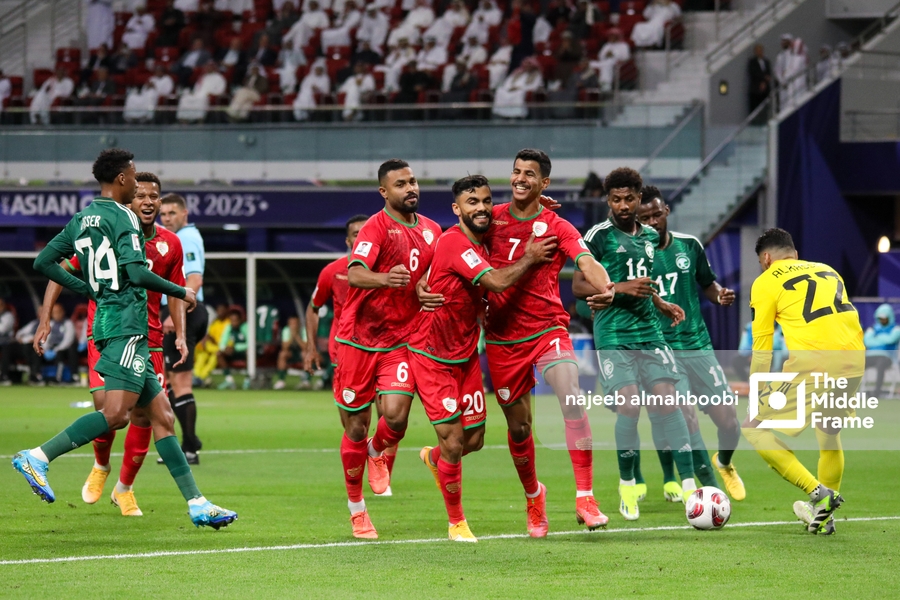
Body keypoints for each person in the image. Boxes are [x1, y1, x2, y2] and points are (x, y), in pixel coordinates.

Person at [13, 148, 236, 529]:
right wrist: (181, 292)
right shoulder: (124, 219)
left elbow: (43, 262)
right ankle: (38, 456)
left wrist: (87, 288)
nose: (137, 185)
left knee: (163, 416)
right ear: (121, 179)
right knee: (116, 415)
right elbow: (136, 273)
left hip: (113, 322)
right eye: (134, 177)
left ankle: (197, 503)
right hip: (127, 325)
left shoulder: (83, 218)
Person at [420, 149, 615, 535]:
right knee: (520, 429)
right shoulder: (491, 219)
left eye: (530, 174)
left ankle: (585, 497)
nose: (520, 178)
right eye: (516, 172)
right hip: (502, 338)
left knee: (570, 394)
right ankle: (533, 498)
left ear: (544, 183)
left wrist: (606, 285)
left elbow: (586, 259)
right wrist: (423, 282)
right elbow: (451, 247)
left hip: (547, 329)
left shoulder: (558, 226)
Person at [33, 171, 189, 517]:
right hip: (107, 331)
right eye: (141, 195)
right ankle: (98, 465)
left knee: (151, 416)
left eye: (154, 196)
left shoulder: (170, 244)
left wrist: (179, 332)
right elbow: (58, 267)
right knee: (111, 411)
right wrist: (46, 319)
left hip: (148, 337)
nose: (147, 201)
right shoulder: (108, 230)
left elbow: (175, 288)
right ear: (128, 199)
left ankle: (126, 489)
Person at [411, 175, 556, 542]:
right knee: (455, 442)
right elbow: (495, 282)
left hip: (465, 355)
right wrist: (530, 257)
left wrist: (536, 210)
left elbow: (512, 228)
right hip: (432, 355)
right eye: (472, 202)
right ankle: (456, 522)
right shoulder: (456, 243)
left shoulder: (483, 239)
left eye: (487, 201)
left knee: (473, 439)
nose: (481, 208)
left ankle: (435, 461)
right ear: (456, 209)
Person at [574, 167, 697, 521]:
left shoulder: (648, 238)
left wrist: (660, 302)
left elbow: (644, 281)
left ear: (639, 198)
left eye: (629, 198)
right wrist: (619, 289)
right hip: (613, 333)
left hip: (649, 330)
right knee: (629, 407)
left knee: (668, 401)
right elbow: (579, 287)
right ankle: (627, 483)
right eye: (616, 199)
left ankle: (689, 484)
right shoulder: (598, 235)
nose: (623, 205)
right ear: (607, 200)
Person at [334, 159, 441, 539]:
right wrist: (384, 279)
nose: (410, 188)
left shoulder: (432, 230)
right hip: (358, 340)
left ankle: (379, 451)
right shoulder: (376, 227)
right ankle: (357, 510)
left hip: (400, 339)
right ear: (385, 192)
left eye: (413, 181)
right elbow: (356, 271)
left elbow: (425, 276)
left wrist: (423, 290)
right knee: (356, 425)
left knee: (395, 417)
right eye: (400, 184)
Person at [742, 228, 865, 535]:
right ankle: (824, 516)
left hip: (815, 364)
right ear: (794, 254)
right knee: (827, 433)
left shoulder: (766, 281)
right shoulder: (828, 270)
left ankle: (817, 493)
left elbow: (762, 346)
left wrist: (758, 389)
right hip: (856, 362)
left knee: (752, 428)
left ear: (766, 258)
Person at [636, 186, 746, 501]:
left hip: (697, 345)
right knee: (685, 414)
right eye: (646, 218)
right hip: (660, 349)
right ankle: (709, 490)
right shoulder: (636, 254)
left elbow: (707, 283)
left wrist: (720, 293)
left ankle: (723, 462)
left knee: (729, 420)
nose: (653, 222)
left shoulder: (689, 246)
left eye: (657, 214)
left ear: (666, 211)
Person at [158, 193, 209, 464]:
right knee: (169, 380)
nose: (166, 218)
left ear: (184, 214)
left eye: (171, 214)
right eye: (163, 214)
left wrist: (175, 316)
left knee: (180, 382)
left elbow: (195, 278)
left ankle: (190, 446)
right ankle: (185, 443)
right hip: (185, 310)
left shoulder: (186, 237)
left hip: (184, 310)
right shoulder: (180, 237)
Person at [304, 215, 367, 391]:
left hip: (382, 348)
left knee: (391, 412)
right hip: (344, 348)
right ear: (348, 241)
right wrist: (311, 347)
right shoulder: (332, 271)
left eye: (366, 233)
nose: (362, 237)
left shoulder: (390, 271)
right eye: (356, 234)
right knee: (353, 416)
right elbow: (313, 308)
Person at [27, 303, 78, 384]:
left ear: (63, 312)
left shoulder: (68, 323)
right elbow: (46, 338)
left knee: (66, 351)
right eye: (54, 312)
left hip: (62, 349)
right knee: (36, 351)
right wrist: (45, 349)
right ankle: (36, 376)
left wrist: (56, 350)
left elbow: (68, 340)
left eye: (58, 312)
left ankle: (60, 378)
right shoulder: (50, 324)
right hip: (50, 348)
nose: (56, 315)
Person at [863, 304, 900, 397]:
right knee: (858, 364)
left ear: (889, 317)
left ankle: (876, 392)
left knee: (881, 363)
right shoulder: (872, 328)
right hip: (870, 356)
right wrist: (883, 339)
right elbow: (867, 341)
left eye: (884, 318)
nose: (882, 320)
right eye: (880, 318)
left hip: (887, 357)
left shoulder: (896, 329)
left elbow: (891, 339)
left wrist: (876, 338)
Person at [194, 303, 229, 386]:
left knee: (214, 357)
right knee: (202, 355)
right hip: (213, 347)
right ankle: (196, 376)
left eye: (222, 310)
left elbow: (227, 339)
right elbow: (209, 335)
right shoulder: (215, 323)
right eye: (218, 310)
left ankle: (201, 378)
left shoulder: (228, 322)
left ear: (226, 311)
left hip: (222, 347)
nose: (220, 312)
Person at [217, 308, 249, 390]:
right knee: (219, 354)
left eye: (236, 320)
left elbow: (250, 344)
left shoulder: (246, 327)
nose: (234, 323)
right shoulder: (229, 327)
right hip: (234, 352)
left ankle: (248, 379)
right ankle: (229, 380)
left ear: (240, 320)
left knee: (249, 353)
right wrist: (225, 348)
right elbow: (222, 343)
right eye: (232, 320)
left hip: (244, 352)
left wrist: (235, 347)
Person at [274, 316, 306, 390]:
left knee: (305, 354)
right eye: (291, 324)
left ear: (299, 324)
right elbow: (285, 347)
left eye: (295, 323)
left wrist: (297, 337)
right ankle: (281, 380)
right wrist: (292, 336)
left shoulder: (304, 331)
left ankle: (305, 381)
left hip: (300, 353)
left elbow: (305, 347)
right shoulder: (286, 330)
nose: (293, 326)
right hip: (290, 353)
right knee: (282, 354)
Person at [747, 44, 772, 115]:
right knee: (755, 109)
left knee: (764, 109)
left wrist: (765, 82)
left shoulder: (766, 61)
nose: (759, 52)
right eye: (757, 51)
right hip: (755, 90)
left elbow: (768, 73)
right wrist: (763, 79)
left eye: (760, 51)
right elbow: (753, 73)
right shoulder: (752, 62)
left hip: (765, 90)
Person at [0, 298, 15, 384]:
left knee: (6, 349)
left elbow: (2, 329)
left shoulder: (8, 316)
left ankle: (4, 376)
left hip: (6, 343)